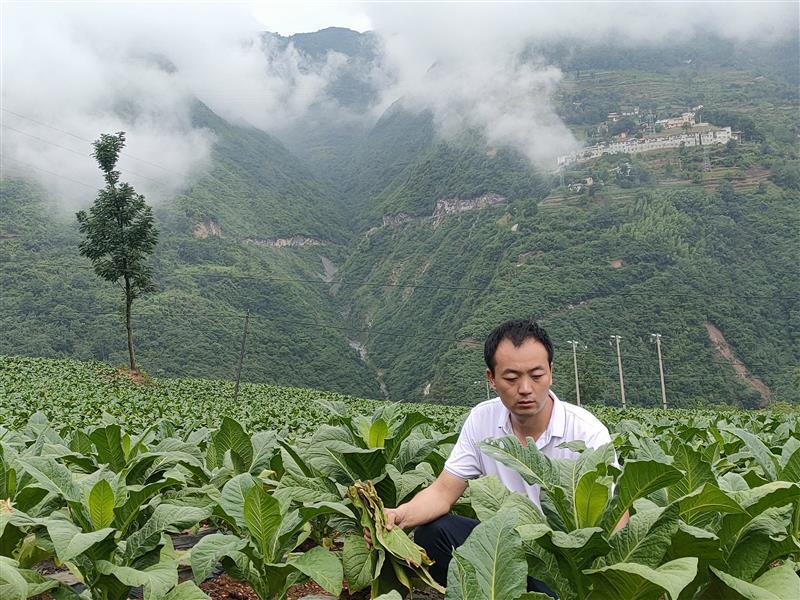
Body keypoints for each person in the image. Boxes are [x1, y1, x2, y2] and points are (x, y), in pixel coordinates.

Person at [367, 319, 627, 595]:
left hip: (562, 566)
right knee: (434, 533)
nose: (525, 388)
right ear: (491, 379)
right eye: (512, 378)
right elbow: (443, 491)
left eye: (536, 375)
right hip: (505, 548)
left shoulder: (586, 432)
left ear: (551, 372)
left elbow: (615, 517)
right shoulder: (482, 420)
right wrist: (398, 515)